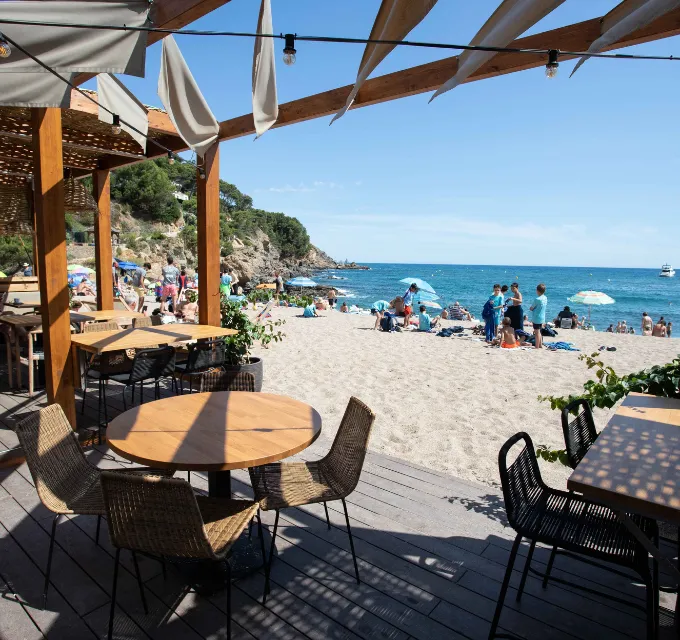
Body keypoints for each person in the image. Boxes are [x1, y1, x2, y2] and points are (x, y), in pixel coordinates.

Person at [529, 283, 547, 349]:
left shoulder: (537, 299)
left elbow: (531, 308)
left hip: (536, 317)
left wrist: (531, 308)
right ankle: (540, 345)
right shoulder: (545, 298)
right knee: (539, 332)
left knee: (536, 332)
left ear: (537, 290)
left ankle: (537, 346)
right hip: (542, 317)